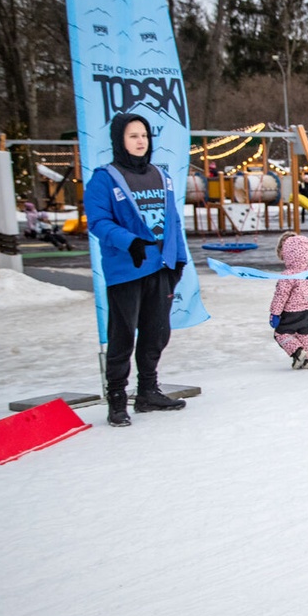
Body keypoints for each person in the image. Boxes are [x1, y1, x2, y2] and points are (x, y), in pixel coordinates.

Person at [84, 113, 187, 427]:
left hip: (160, 267)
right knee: (123, 335)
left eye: (143, 135)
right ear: (120, 140)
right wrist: (129, 242)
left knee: (156, 333)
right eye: (133, 136)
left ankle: (147, 392)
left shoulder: (161, 175)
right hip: (127, 269)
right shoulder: (104, 178)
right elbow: (99, 223)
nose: (140, 141)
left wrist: (179, 257)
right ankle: (116, 399)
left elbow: (173, 221)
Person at [270, 232, 308, 369]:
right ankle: (307, 359)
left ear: (287, 254)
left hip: (292, 312)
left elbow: (281, 296)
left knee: (281, 334)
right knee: (302, 334)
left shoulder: (288, 275)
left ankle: (298, 352)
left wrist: (275, 313)